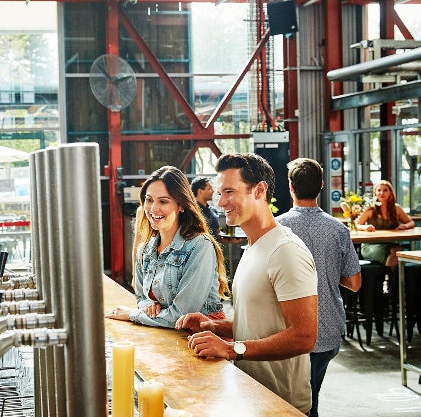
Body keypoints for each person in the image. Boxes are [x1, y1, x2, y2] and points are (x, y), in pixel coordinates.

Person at [175, 153, 318, 414]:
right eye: (219, 193)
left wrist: (231, 349)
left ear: (259, 190)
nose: (220, 202)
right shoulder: (253, 246)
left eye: (229, 191)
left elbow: (304, 336)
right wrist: (214, 325)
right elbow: (260, 322)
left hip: (282, 405)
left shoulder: (285, 250)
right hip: (252, 396)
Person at [276, 158, 361, 417]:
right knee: (310, 398)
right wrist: (328, 273)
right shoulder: (338, 229)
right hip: (327, 328)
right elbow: (355, 283)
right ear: (322, 186)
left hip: (287, 329)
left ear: (291, 187)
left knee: (295, 404)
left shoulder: (277, 228)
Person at [106, 165, 230, 328]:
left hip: (205, 338)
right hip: (166, 335)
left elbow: (180, 317)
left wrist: (132, 314)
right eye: (149, 200)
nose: (153, 209)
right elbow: (140, 296)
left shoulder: (200, 246)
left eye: (163, 201)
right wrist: (148, 306)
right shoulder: (145, 250)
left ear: (181, 205)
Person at [356, 179, 414, 271]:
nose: (382, 193)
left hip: (391, 244)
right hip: (371, 245)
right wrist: (365, 227)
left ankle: (394, 281)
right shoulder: (371, 208)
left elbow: (411, 222)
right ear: (375, 192)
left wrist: (405, 226)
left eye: (385, 190)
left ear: (390, 192)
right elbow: (357, 225)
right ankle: (393, 283)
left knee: (398, 250)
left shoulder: (396, 208)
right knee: (395, 254)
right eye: (379, 190)